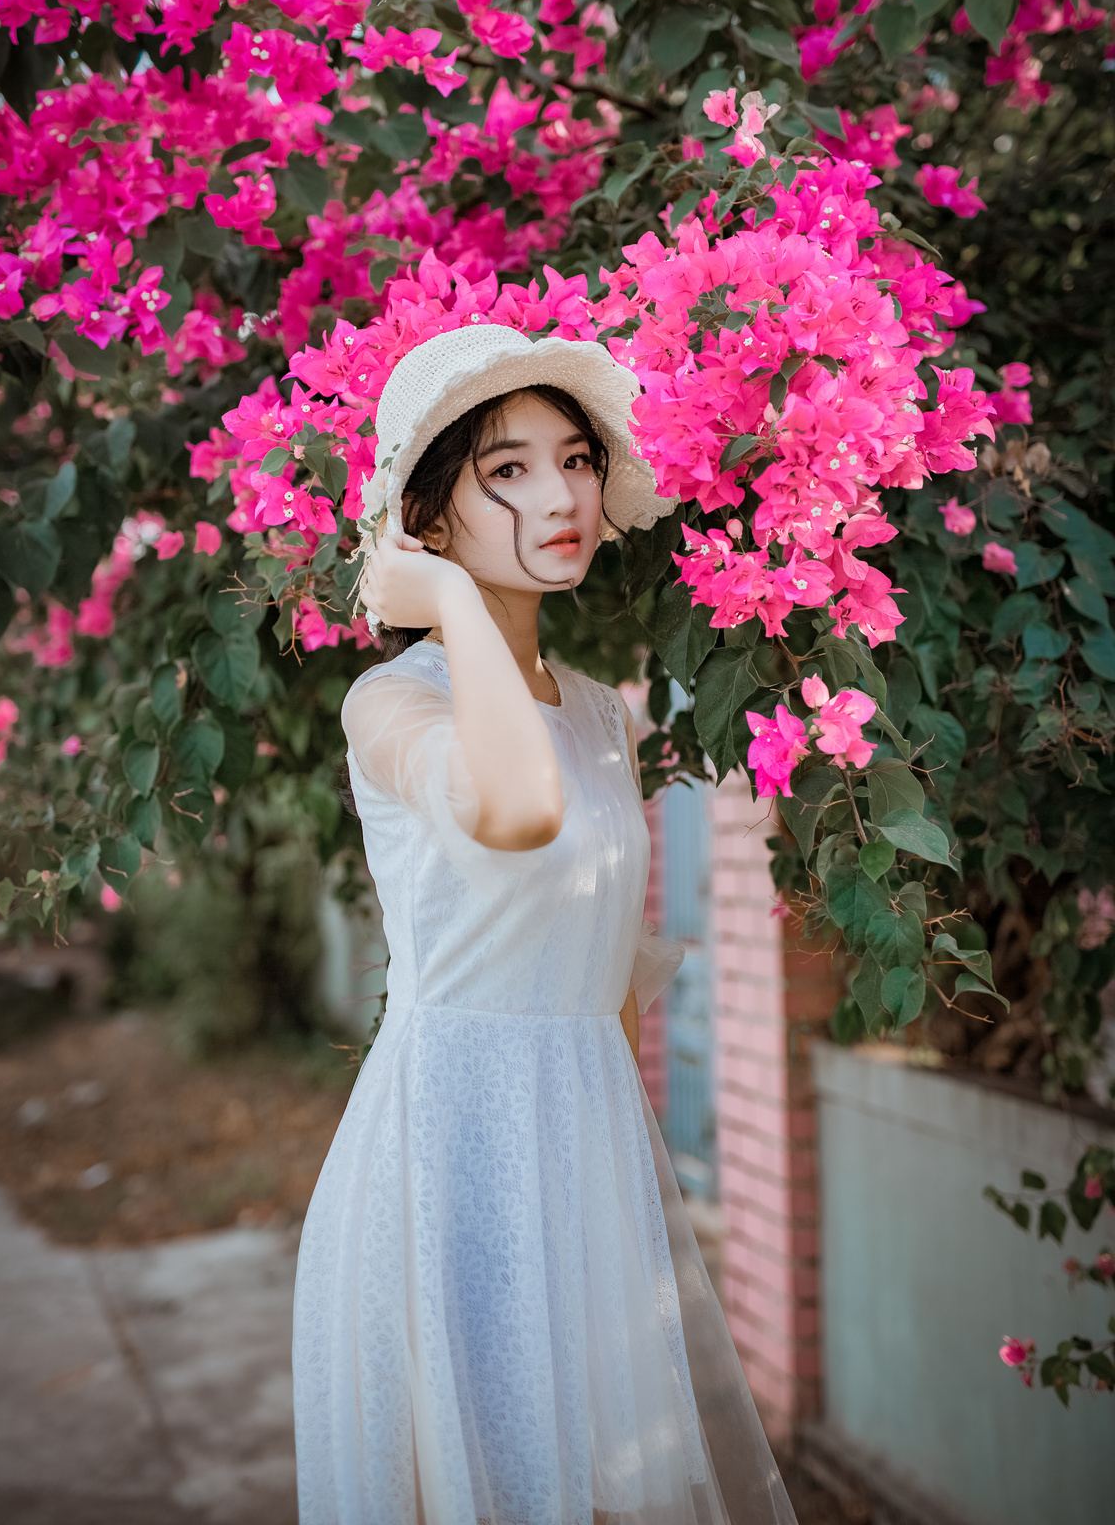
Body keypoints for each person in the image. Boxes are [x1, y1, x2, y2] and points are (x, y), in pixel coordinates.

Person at [293, 323, 797, 1525]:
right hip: (444, 1156)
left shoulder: (599, 714)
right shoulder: (389, 704)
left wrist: (614, 1188)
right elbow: (513, 810)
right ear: (425, 522)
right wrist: (455, 603)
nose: (561, 492)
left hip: (582, 1151)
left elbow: (605, 969)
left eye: (572, 459)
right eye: (506, 469)